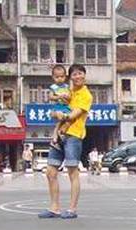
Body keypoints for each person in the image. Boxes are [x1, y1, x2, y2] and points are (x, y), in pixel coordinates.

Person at [38, 64, 93, 219]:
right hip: (60, 135)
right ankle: (54, 207)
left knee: (72, 172)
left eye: (80, 73)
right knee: (50, 172)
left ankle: (72, 209)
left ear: (84, 75)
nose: (77, 77)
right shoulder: (67, 92)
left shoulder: (85, 94)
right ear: (70, 77)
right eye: (74, 74)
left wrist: (62, 115)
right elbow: (55, 109)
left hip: (74, 136)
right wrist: (55, 124)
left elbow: (75, 114)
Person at [48, 65, 72, 152]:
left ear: (65, 77)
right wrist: (58, 96)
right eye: (57, 77)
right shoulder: (53, 87)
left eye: (62, 76)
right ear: (53, 77)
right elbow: (50, 97)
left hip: (66, 107)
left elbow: (70, 98)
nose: (59, 79)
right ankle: (56, 136)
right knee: (59, 121)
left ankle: (60, 134)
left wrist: (67, 97)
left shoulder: (67, 87)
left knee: (69, 120)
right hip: (58, 107)